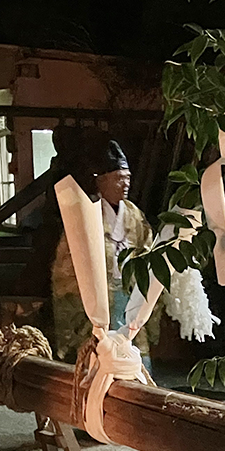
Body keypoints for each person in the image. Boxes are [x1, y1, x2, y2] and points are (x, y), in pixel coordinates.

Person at [50, 139, 157, 360]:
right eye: (118, 178)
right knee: (99, 355)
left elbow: (147, 251)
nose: (125, 184)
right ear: (101, 181)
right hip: (97, 300)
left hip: (129, 295)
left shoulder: (135, 215)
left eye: (127, 178)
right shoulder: (86, 214)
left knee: (134, 354)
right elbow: (67, 265)